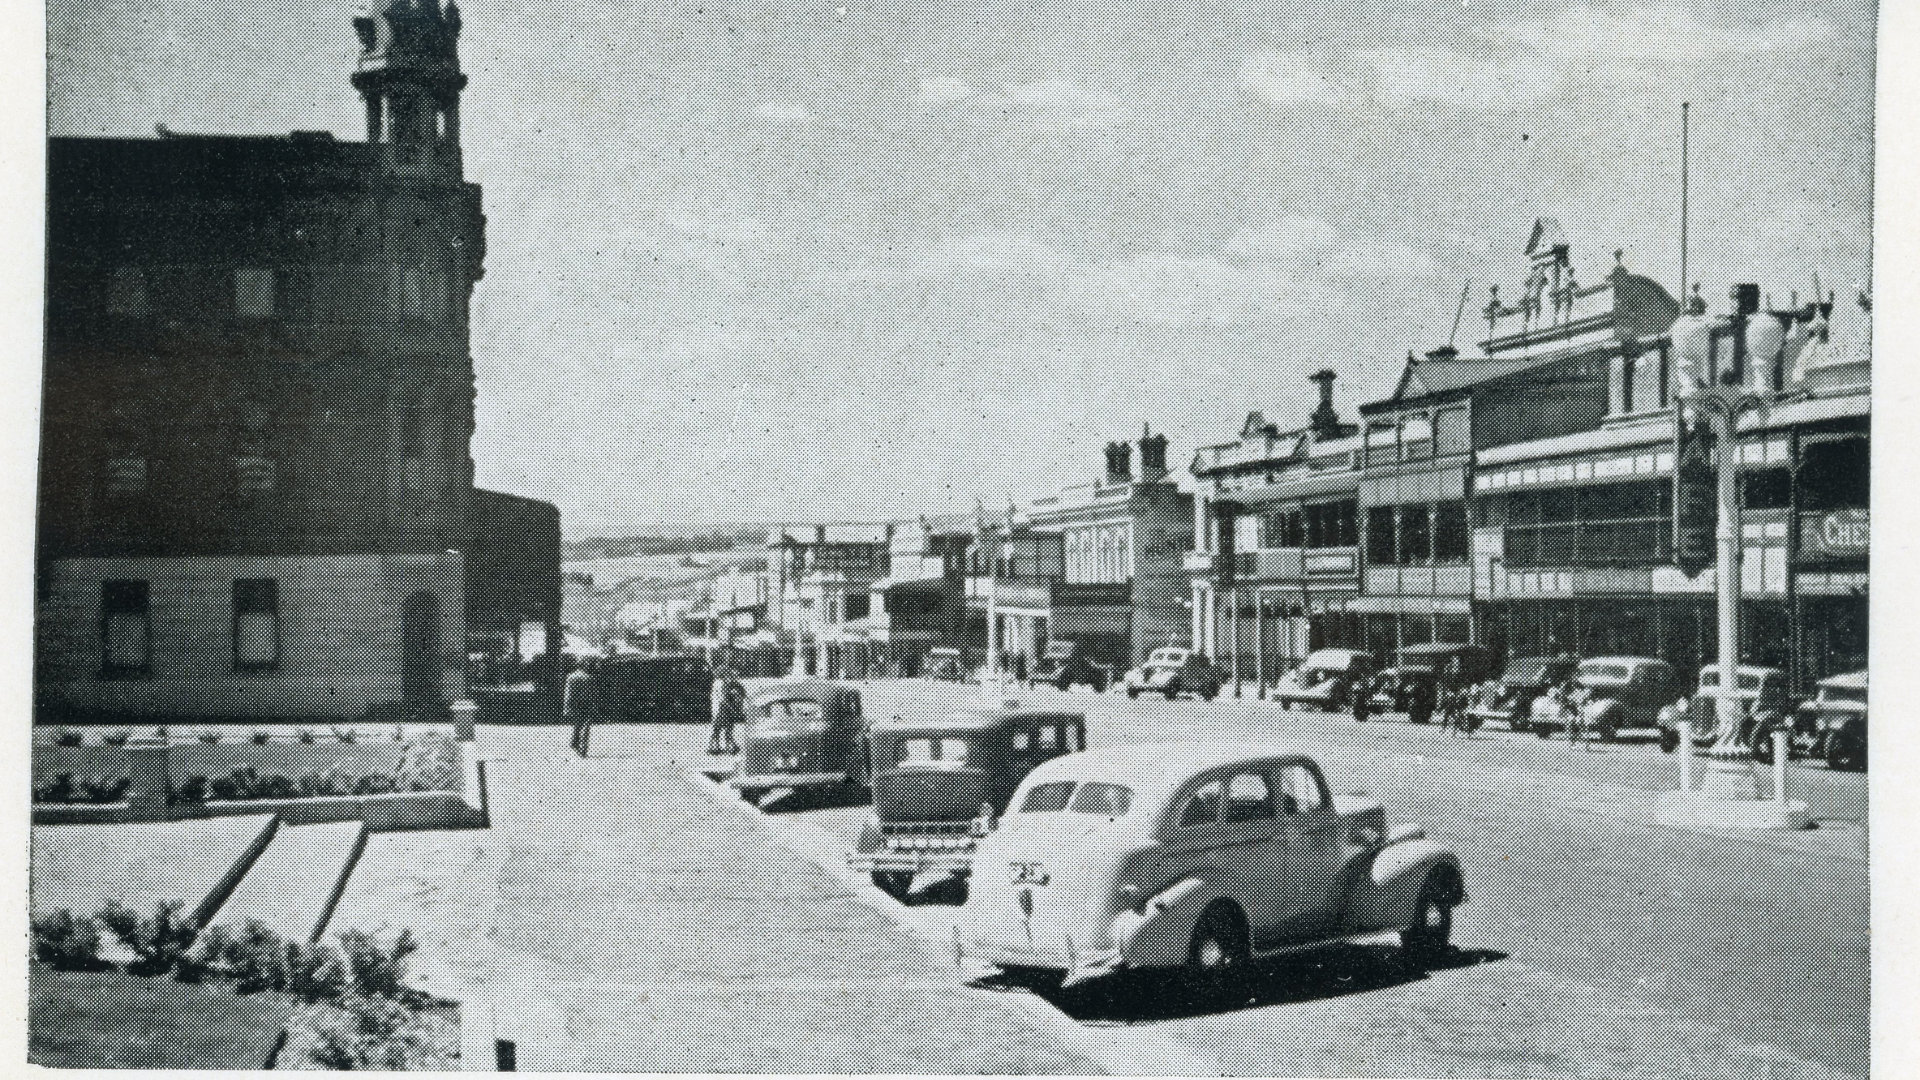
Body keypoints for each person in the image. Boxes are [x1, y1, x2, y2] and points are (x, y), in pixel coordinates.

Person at [709, 668, 745, 755]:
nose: (733, 678)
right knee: (721, 727)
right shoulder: (720, 683)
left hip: (722, 708)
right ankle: (719, 745)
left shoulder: (726, 684)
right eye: (731, 675)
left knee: (723, 727)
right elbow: (722, 698)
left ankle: (719, 745)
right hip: (721, 708)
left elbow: (741, 694)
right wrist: (732, 708)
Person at [565, 657, 594, 757]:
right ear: (583, 665)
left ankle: (575, 743)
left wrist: (567, 706)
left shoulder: (571, 676)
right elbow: (590, 694)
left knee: (578, 724)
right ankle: (582, 749)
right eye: (588, 664)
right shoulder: (588, 677)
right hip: (585, 704)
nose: (590, 666)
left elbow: (568, 693)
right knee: (585, 725)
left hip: (574, 704)